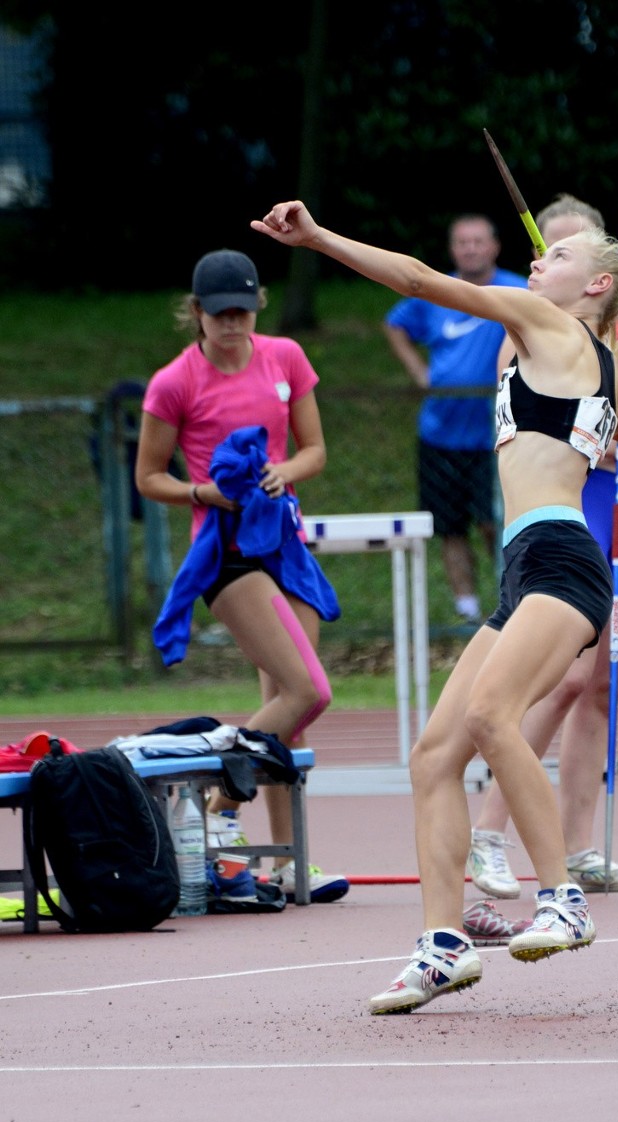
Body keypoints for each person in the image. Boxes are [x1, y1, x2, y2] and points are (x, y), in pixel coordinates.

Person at [251, 197, 618, 1014]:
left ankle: (562, 897)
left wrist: (319, 237)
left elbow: (422, 280)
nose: (539, 259)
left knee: (494, 717)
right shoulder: (564, 350)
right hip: (526, 567)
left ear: (595, 284)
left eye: (558, 255)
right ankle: (442, 946)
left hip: (562, 563)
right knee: (434, 756)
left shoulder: (551, 324)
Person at [468, 193, 618, 901]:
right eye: (546, 245)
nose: (540, 259)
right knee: (557, 681)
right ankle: (489, 834)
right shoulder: (533, 326)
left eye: (562, 248)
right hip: (569, 502)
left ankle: (581, 845)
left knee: (601, 688)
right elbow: (517, 399)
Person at [135, 248, 350, 905]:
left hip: (282, 541)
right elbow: (150, 476)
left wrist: (285, 472)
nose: (234, 325)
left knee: (291, 709)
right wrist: (204, 494)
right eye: (221, 314)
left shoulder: (285, 357)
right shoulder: (174, 381)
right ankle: (213, 797)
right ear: (197, 313)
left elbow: (314, 449)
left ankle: (288, 862)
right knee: (309, 690)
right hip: (226, 551)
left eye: (244, 312)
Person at [383, 214, 526, 624]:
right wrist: (418, 372)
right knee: (450, 527)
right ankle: (466, 608)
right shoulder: (435, 291)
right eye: (462, 242)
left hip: (493, 435)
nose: (470, 249)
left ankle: (509, 597)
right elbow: (395, 324)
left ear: (495, 246)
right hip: (440, 431)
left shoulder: (516, 290)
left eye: (478, 241)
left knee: (492, 520)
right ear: (452, 249)